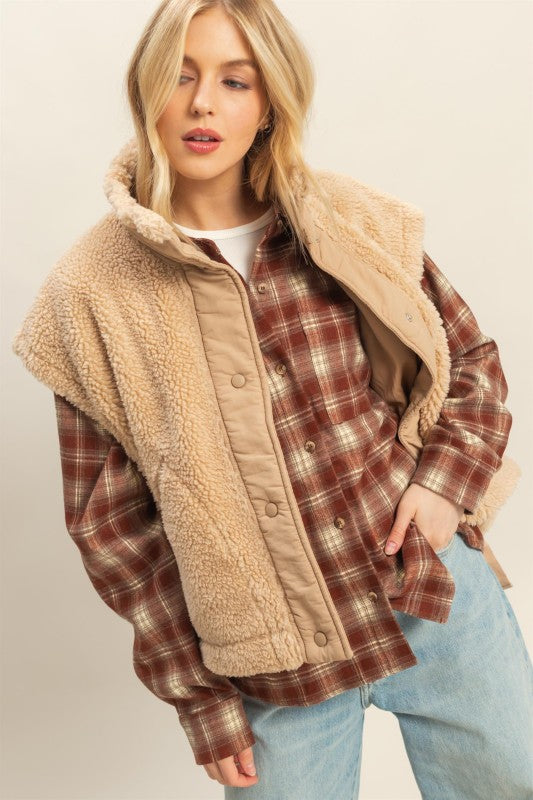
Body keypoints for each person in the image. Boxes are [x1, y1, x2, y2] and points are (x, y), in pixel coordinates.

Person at [12, 0, 533, 798]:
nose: (202, 103)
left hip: (436, 602)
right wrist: (200, 702)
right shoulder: (87, 298)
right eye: (179, 75)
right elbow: (112, 529)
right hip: (275, 673)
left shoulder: (349, 220)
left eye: (235, 80)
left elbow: (464, 358)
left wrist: (441, 487)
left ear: (268, 104)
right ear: (145, 90)